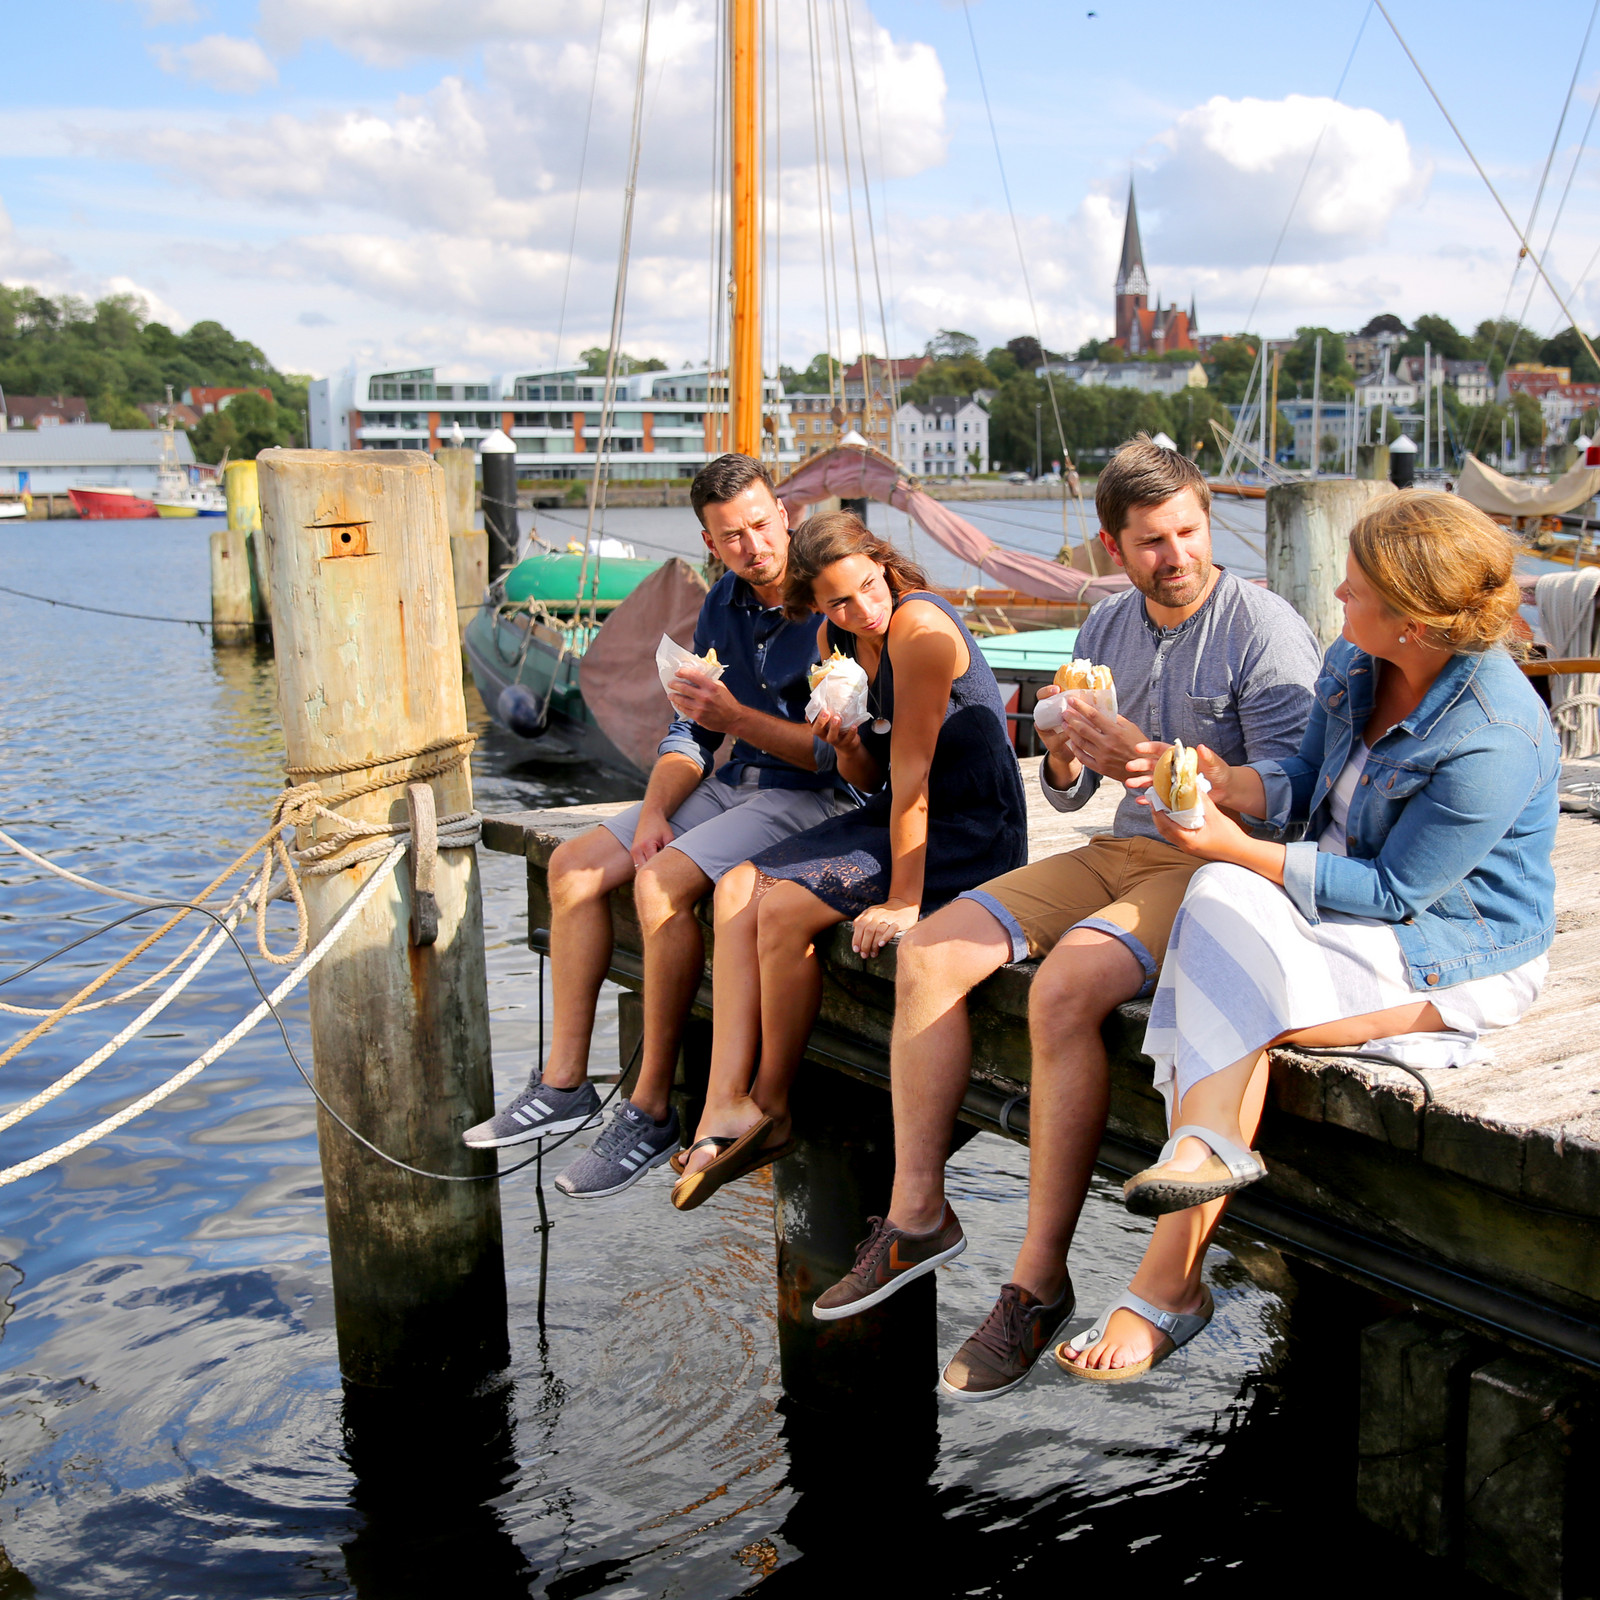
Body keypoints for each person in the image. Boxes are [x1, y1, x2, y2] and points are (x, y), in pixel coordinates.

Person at [811, 435, 1324, 1401]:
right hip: (1115, 849)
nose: (1174, 556)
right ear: (1111, 545)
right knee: (928, 952)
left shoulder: (1264, 628)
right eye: (1150, 542)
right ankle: (917, 1215)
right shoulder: (1105, 630)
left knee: (1066, 984)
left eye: (1188, 532)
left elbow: (1288, 803)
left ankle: (1037, 1281)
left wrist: (1149, 754)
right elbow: (1076, 797)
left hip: (1212, 863)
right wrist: (1059, 752)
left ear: (1208, 522)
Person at [1061, 489, 1557, 1379]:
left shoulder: (1496, 735)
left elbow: (1397, 891)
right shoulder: (1355, 663)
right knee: (1212, 888)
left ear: (1411, 618)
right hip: (1332, 907)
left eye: (1356, 586)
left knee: (1224, 975)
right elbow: (1304, 779)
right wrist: (1232, 784)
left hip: (1442, 945)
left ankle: (1167, 1274)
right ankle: (1203, 1157)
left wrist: (1237, 845)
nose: (1338, 595)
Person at [463, 454, 853, 1198]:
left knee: (659, 887)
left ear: (786, 515)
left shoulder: (828, 603)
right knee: (573, 866)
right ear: (710, 544)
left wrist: (733, 719)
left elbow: (839, 762)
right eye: (731, 536)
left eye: (763, 525)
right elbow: (690, 736)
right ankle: (565, 1083)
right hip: (739, 781)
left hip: (811, 795)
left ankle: (649, 1109)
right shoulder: (722, 606)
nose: (754, 546)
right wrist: (652, 810)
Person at [666, 511, 1029, 1210]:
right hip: (896, 812)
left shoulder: (920, 632)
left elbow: (917, 784)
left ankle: (770, 1108)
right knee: (739, 886)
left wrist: (904, 903)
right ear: (813, 607)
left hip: (971, 827)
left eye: (869, 586)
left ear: (882, 562)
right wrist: (847, 742)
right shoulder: (837, 642)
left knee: (782, 909)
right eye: (838, 601)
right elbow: (874, 775)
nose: (862, 609)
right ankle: (727, 1103)